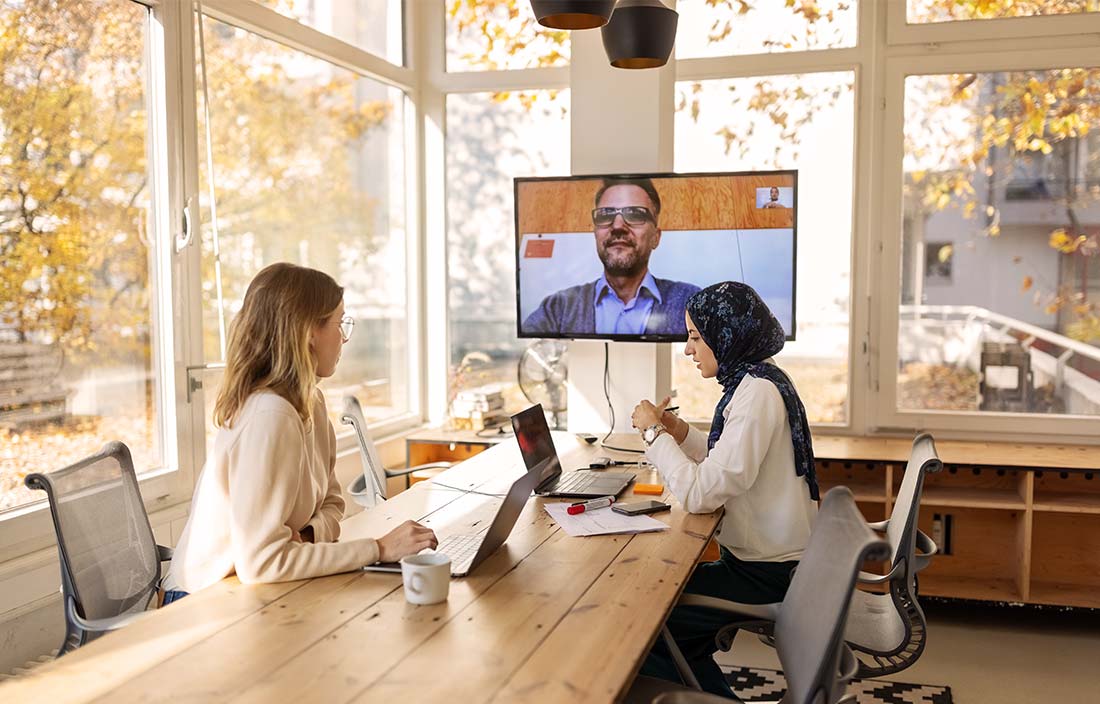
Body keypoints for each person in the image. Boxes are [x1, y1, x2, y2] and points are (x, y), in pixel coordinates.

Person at [160, 263, 437, 603]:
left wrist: (304, 537)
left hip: (251, 589)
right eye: (339, 324)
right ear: (308, 332)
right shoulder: (270, 417)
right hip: (199, 601)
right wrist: (378, 548)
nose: (344, 338)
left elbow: (334, 502)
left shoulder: (311, 402)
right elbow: (262, 563)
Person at [629, 281, 818, 697]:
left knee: (646, 628)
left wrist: (653, 434)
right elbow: (728, 464)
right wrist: (678, 432)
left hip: (767, 575)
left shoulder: (756, 395)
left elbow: (699, 495)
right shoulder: (756, 381)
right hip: (766, 563)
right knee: (668, 620)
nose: (688, 349)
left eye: (696, 337)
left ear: (725, 333)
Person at [522, 177, 700, 336]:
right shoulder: (558, 308)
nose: (617, 226)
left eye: (635, 214)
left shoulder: (691, 303)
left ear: (656, 237)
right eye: (605, 215)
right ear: (595, 234)